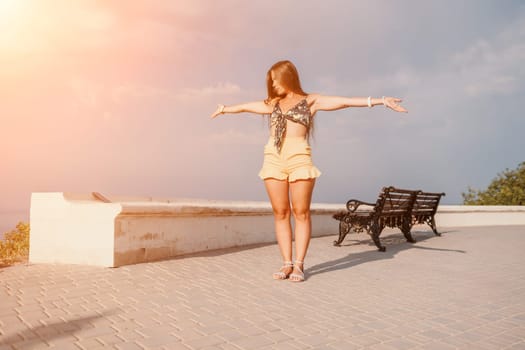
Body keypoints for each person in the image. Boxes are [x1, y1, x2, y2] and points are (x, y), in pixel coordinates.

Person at [211, 60, 407, 282]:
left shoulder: (310, 101)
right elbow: (246, 106)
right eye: (270, 81)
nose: (273, 84)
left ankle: (299, 265)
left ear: (288, 77)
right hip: (273, 158)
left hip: (299, 158)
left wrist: (380, 101)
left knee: (301, 213)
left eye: (276, 79)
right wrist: (225, 109)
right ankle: (286, 263)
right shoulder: (272, 103)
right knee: (280, 213)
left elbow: (345, 102)